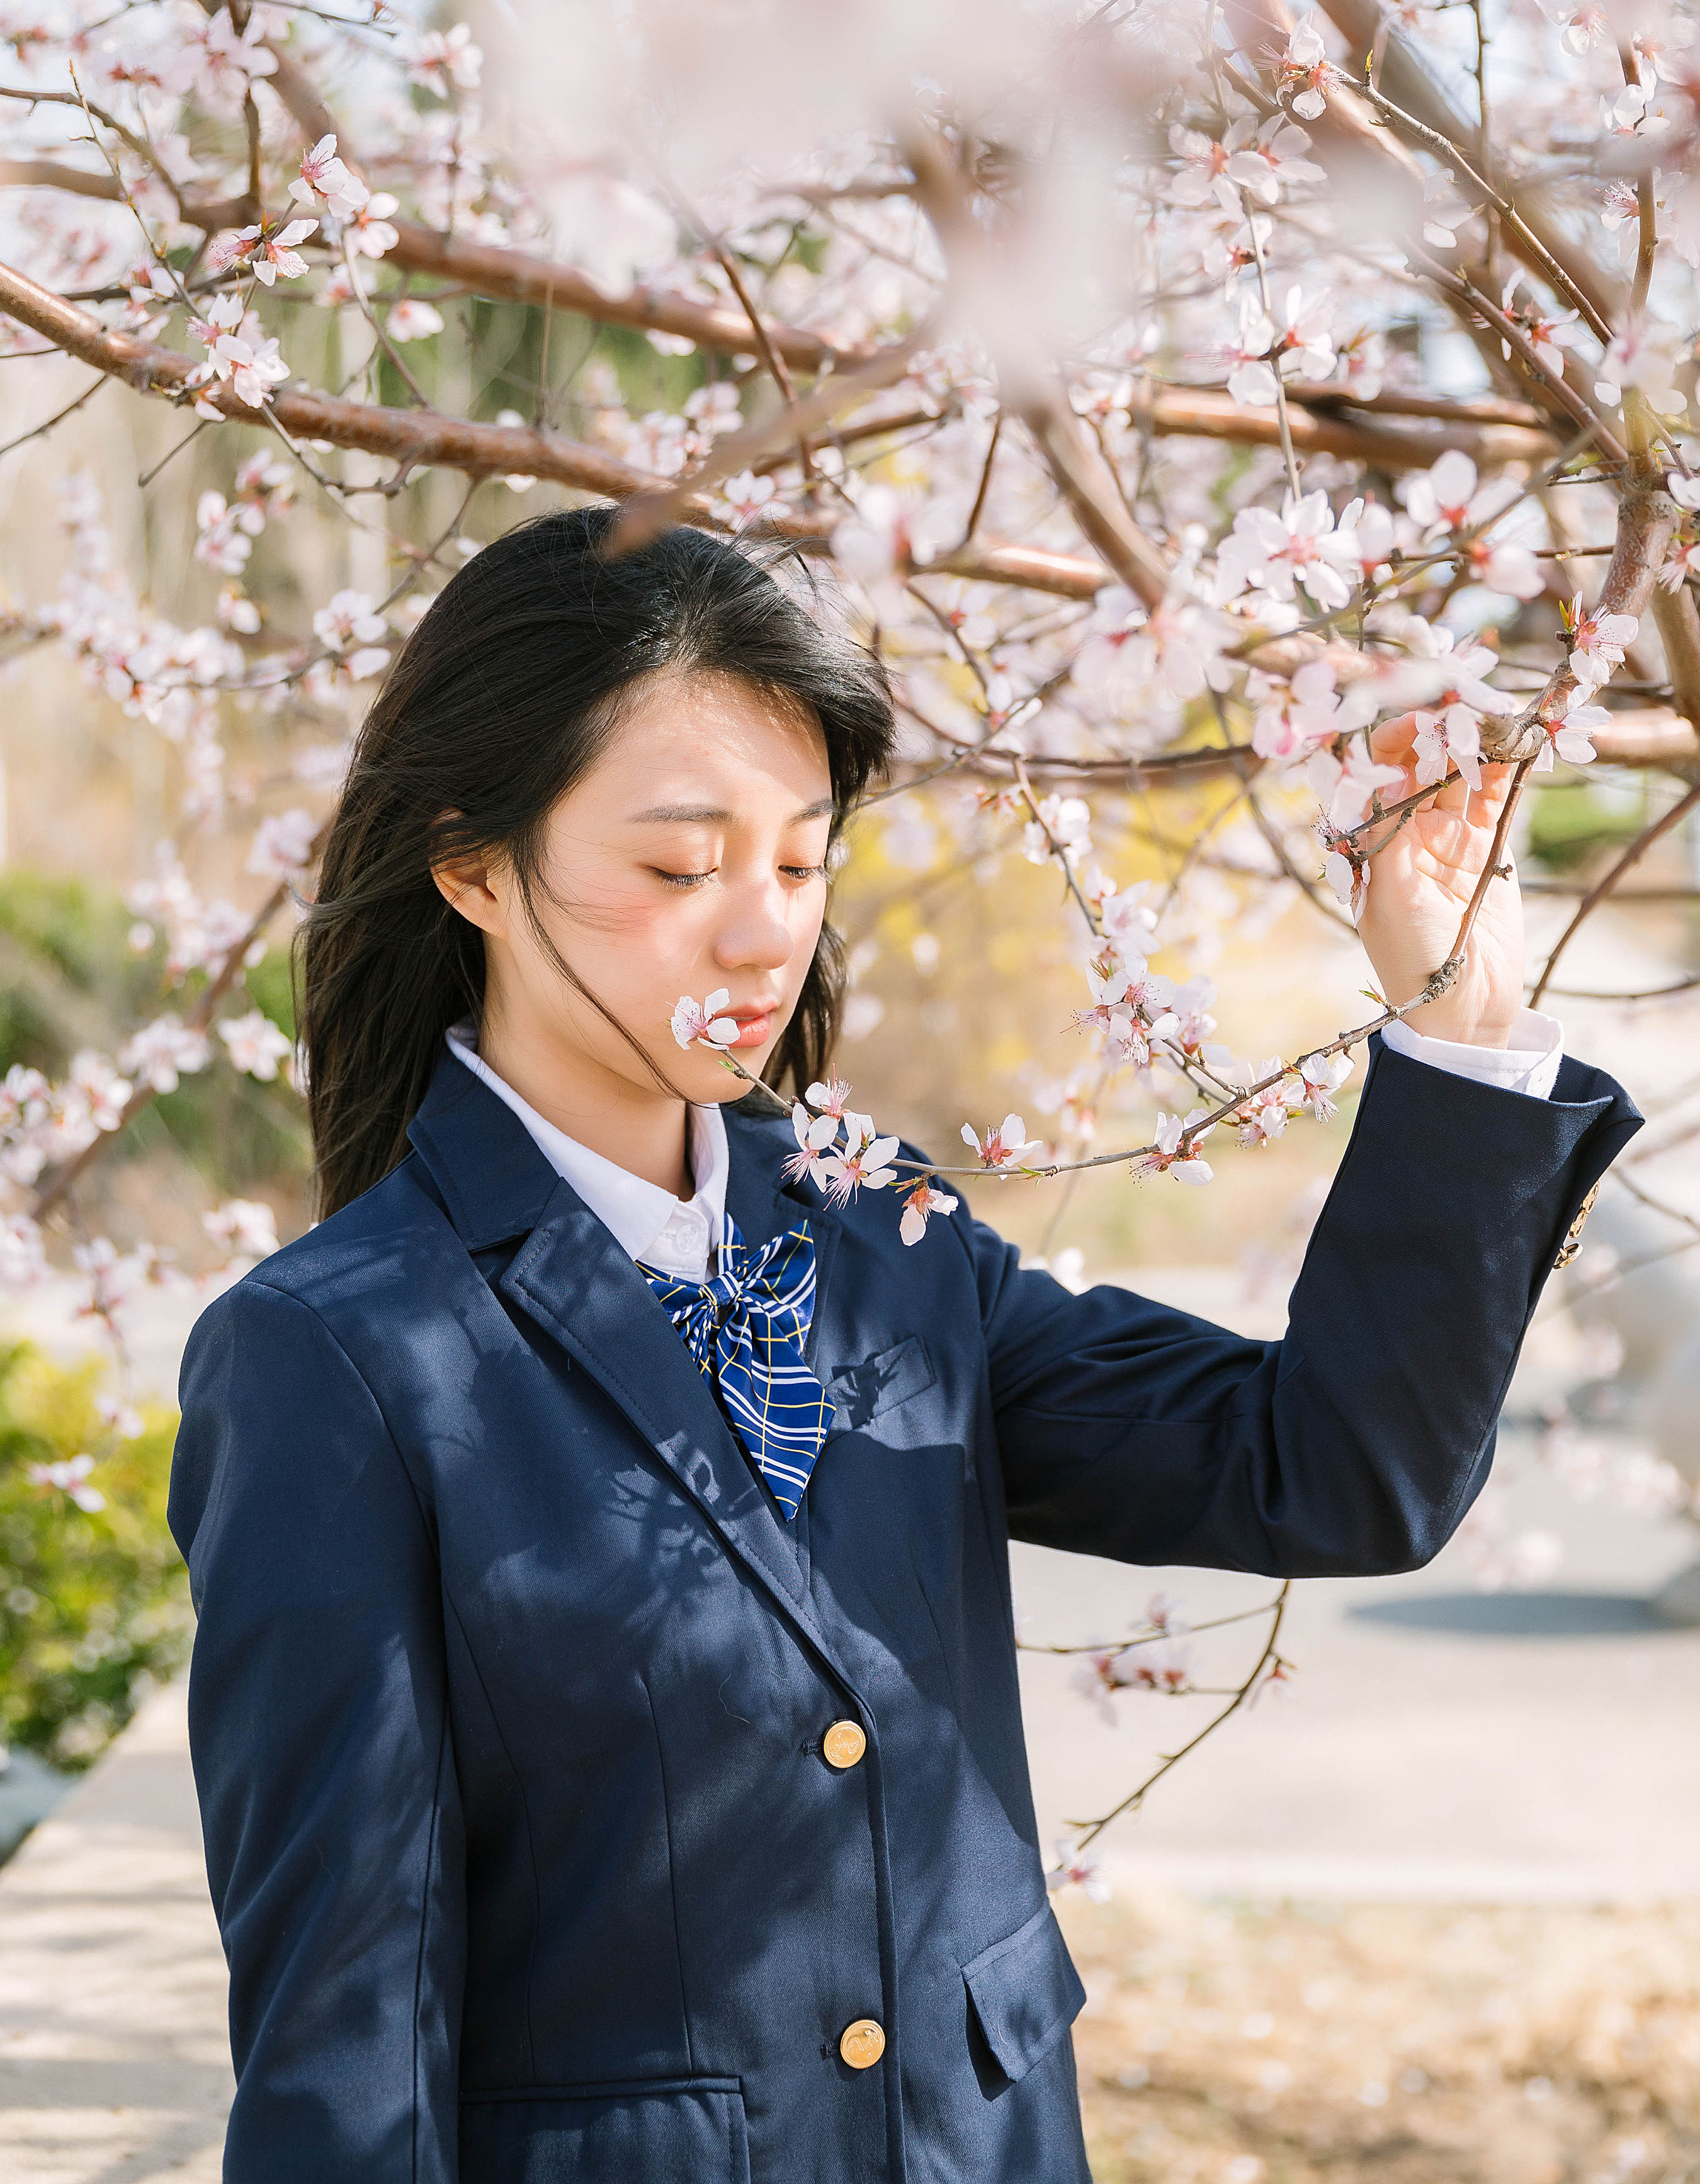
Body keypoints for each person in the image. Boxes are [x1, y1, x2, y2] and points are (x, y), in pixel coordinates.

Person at [167, 509, 1638, 2184]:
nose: (757, 930)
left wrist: (1453, 1015)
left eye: (799, 861)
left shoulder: (880, 1232)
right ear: (472, 860)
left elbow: (1328, 1474)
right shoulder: (332, 1357)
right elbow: (343, 2041)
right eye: (676, 865)